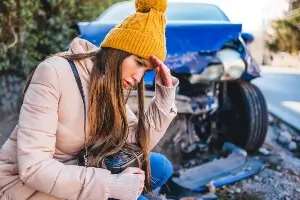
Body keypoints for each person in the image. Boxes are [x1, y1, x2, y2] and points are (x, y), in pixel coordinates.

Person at [0, 0, 179, 199]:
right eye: (138, 63)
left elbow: (135, 143)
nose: (138, 77)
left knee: (159, 166)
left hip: (76, 166)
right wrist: (111, 185)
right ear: (117, 50)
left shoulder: (109, 82)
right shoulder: (53, 73)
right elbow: (34, 168)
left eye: (146, 70)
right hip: (24, 185)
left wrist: (164, 95)